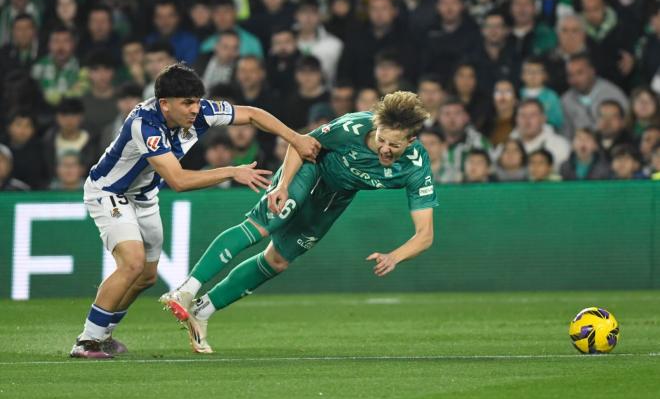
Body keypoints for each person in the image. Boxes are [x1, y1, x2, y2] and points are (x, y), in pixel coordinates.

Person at [69, 63, 320, 359]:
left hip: (145, 196)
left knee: (147, 277)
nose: (194, 109)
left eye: (197, 101)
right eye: (187, 103)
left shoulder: (201, 111)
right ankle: (87, 341)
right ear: (165, 104)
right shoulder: (145, 124)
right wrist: (231, 171)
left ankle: (105, 334)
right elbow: (178, 180)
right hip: (110, 192)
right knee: (132, 263)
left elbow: (253, 114)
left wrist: (296, 138)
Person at [160, 91, 437, 353]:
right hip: (309, 168)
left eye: (394, 145)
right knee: (262, 227)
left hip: (335, 197)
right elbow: (301, 143)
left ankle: (201, 311)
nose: (385, 149)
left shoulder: (416, 166)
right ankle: (186, 290)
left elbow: (425, 235)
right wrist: (282, 185)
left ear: (411, 141)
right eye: (381, 139)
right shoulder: (353, 127)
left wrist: (394, 256)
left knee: (278, 261)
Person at [510, 99, 570, 170]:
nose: (527, 120)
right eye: (523, 115)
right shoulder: (505, 146)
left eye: (533, 115)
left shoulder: (561, 145)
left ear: (543, 118)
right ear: (516, 119)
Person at [519, 56, 563, 131]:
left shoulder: (551, 96)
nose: (533, 75)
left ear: (545, 76)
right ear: (522, 75)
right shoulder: (518, 94)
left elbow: (558, 121)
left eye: (537, 72)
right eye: (529, 71)